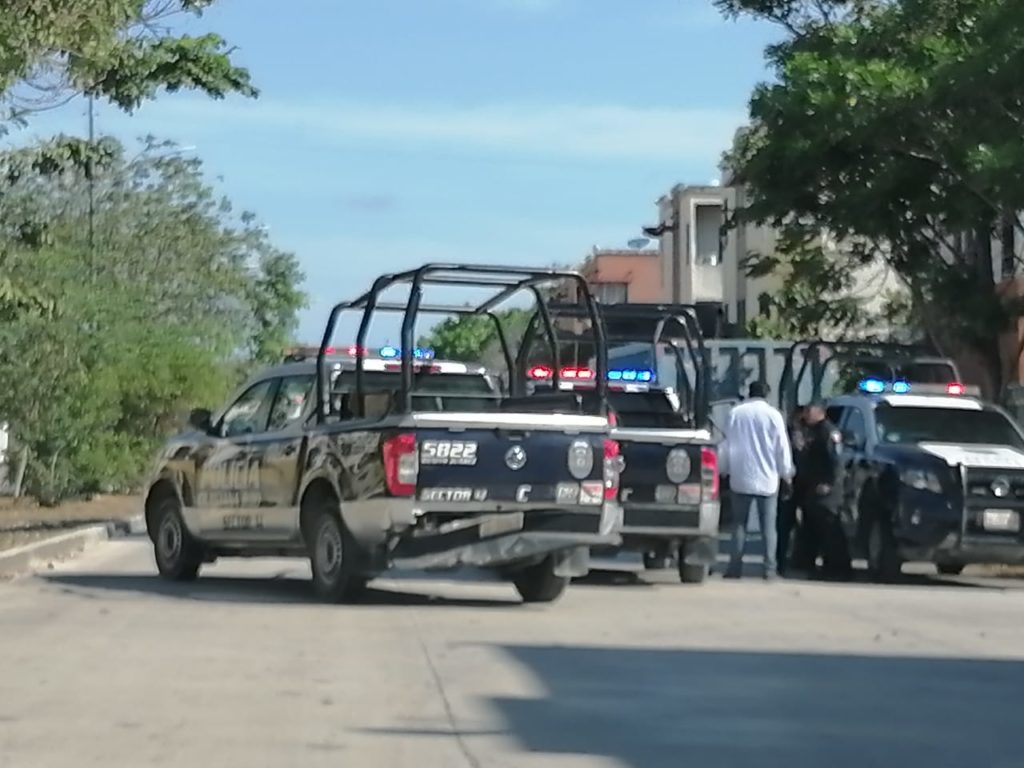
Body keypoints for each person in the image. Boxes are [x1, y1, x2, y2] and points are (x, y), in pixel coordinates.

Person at [721, 381, 794, 580]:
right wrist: (786, 473)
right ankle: (769, 570)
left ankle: (734, 569)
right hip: (768, 480)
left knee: (738, 525)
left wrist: (724, 470)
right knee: (769, 528)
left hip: (740, 477)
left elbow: (726, 445)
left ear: (748, 393)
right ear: (767, 394)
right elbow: (782, 447)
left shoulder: (735, 413)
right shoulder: (774, 415)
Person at [799, 403, 853, 580]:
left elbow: (837, 461)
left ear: (818, 412)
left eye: (809, 412)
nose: (805, 415)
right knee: (814, 528)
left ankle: (838, 567)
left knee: (830, 529)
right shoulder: (813, 431)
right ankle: (811, 563)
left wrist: (829, 483)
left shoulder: (828, 432)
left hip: (827, 490)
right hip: (814, 487)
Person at [777, 405, 814, 575]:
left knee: (790, 525)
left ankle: (791, 560)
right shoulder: (795, 432)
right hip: (793, 484)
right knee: (787, 525)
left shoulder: (798, 432)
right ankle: (784, 561)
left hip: (798, 484)